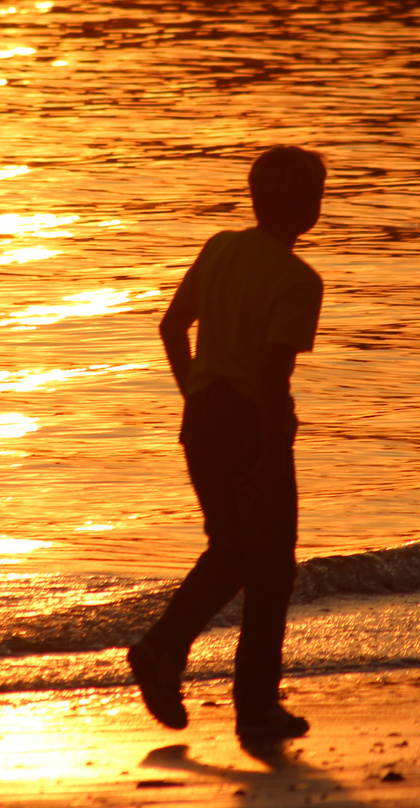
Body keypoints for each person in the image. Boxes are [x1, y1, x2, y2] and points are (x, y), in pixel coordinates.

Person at [128, 145, 327, 741]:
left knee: (231, 550)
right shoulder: (297, 280)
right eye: (314, 194)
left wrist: (194, 394)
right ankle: (254, 705)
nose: (318, 204)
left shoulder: (220, 248)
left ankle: (165, 651)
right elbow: (272, 374)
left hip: (202, 414)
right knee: (270, 567)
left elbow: (171, 327)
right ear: (302, 206)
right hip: (250, 421)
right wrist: (269, 451)